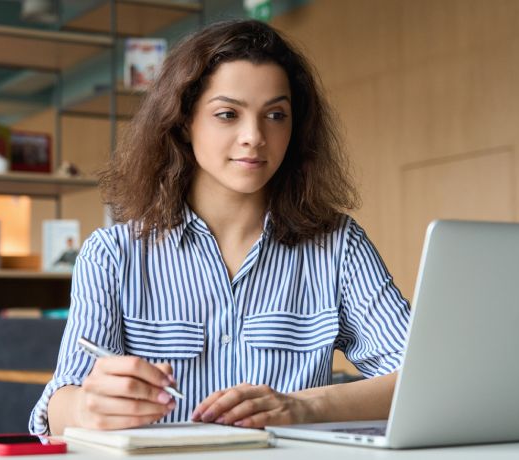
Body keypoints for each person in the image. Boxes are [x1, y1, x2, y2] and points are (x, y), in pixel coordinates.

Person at [30, 19, 410, 436]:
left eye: (276, 114)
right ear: (183, 121)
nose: (254, 136)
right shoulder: (113, 254)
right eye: (228, 114)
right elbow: (59, 406)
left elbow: (421, 379)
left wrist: (303, 407)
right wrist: (88, 407)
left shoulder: (338, 245)